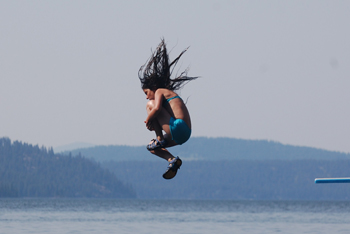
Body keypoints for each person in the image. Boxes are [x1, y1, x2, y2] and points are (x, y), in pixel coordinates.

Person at [139, 39, 198, 179]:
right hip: (184, 135)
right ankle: (172, 161)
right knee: (152, 148)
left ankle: (159, 138)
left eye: (146, 93)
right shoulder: (166, 95)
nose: (147, 97)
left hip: (178, 127)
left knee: (151, 107)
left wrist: (148, 120)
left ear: (153, 87)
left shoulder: (160, 91)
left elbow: (157, 108)